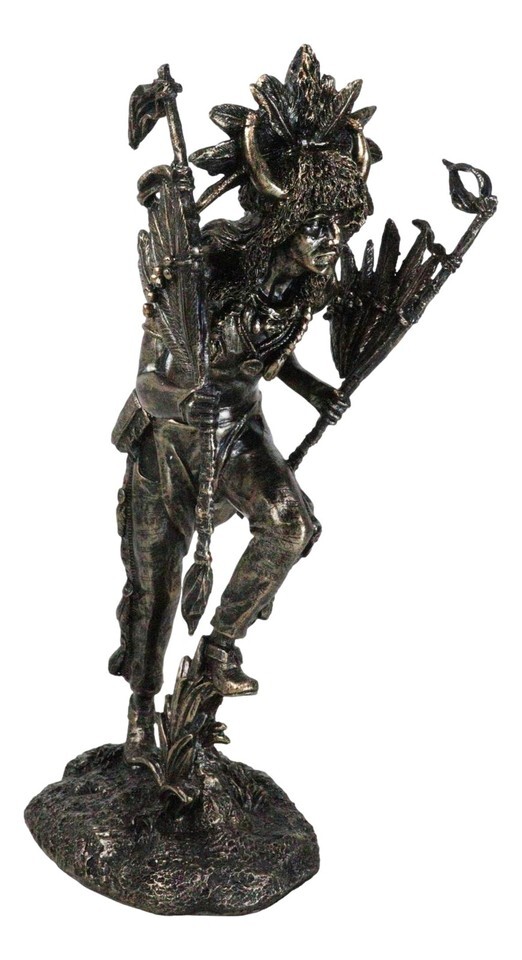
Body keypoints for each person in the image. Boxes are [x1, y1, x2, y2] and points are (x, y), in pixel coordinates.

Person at [109, 45, 379, 764]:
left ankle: (220, 646)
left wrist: (312, 387)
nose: (332, 241)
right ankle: (140, 716)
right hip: (168, 440)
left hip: (239, 429)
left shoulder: (306, 284)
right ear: (284, 219)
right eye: (318, 225)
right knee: (156, 583)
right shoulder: (206, 266)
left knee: (290, 525)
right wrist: (182, 396)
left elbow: (266, 354)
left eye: (339, 226)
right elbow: (150, 377)